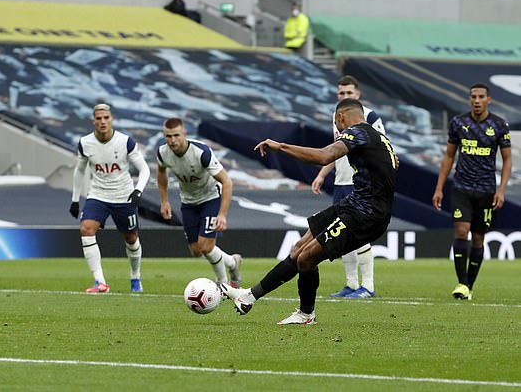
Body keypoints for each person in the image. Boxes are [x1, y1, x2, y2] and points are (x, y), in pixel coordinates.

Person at [221, 99, 397, 325]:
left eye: (336, 123)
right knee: (298, 248)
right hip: (356, 204)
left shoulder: (357, 132)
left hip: (366, 214)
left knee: (306, 258)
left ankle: (306, 314)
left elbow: (324, 156)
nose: (338, 129)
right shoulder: (379, 137)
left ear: (341, 117)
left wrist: (280, 147)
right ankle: (248, 297)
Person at [432, 83, 511, 301]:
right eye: (473, 97)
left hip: (486, 190)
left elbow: (507, 159)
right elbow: (449, 156)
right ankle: (462, 283)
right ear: (469, 99)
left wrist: (501, 190)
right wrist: (439, 188)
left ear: (488, 100)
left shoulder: (499, 125)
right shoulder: (458, 123)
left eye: (481, 97)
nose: (477, 100)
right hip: (461, 187)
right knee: (461, 231)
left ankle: (469, 285)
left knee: (478, 239)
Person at [311, 75, 385, 299]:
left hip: (359, 182)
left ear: (358, 95)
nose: (345, 96)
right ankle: (352, 284)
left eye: (349, 93)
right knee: (344, 234)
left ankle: (368, 286)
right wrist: (322, 174)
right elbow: (336, 150)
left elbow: (382, 145)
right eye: (342, 93)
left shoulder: (370, 116)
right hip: (340, 182)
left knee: (359, 235)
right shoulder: (338, 118)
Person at [69, 103, 150, 293]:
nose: (103, 121)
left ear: (111, 119)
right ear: (93, 121)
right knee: (86, 229)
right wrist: (75, 199)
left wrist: (138, 190)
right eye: (99, 118)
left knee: (131, 238)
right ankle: (100, 282)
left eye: (106, 118)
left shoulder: (125, 142)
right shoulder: (85, 143)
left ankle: (135, 276)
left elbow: (144, 168)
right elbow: (79, 170)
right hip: (98, 195)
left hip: (124, 196)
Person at [157, 118, 242, 286]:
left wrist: (222, 214)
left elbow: (227, 182)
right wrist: (164, 201)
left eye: (176, 135)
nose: (172, 140)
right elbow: (161, 173)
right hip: (188, 202)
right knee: (196, 251)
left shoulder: (201, 152)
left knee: (205, 246)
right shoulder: (162, 152)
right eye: (168, 136)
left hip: (210, 198)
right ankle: (232, 262)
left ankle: (222, 284)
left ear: (184, 134)